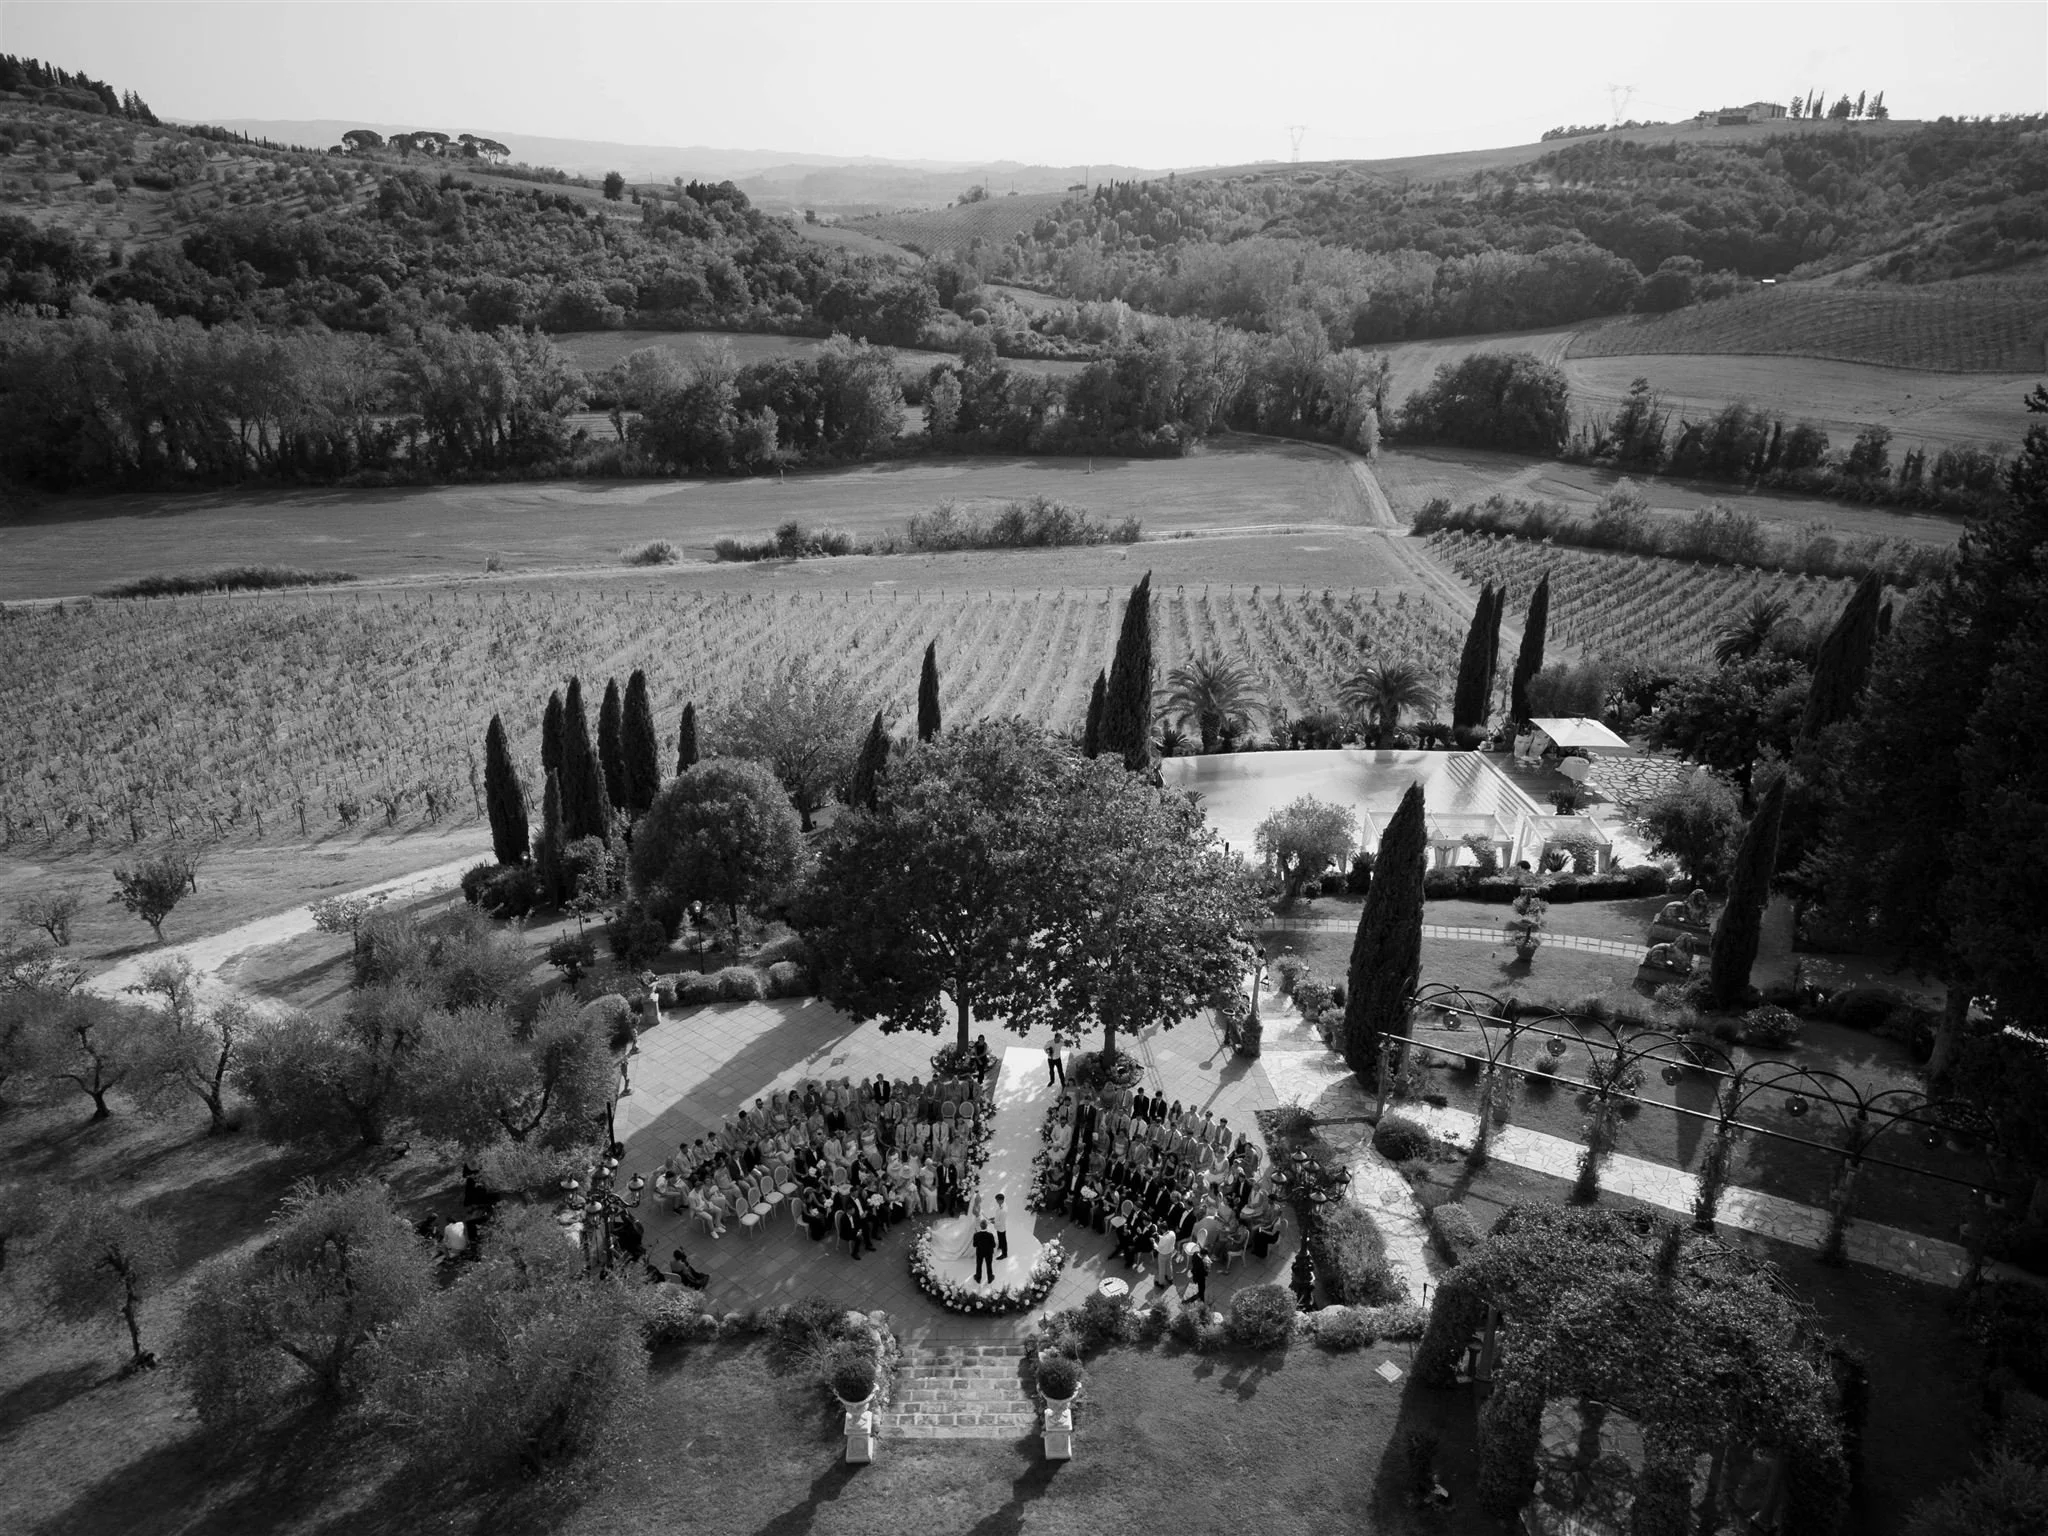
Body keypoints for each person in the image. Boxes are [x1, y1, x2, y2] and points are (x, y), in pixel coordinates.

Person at [972, 1219, 997, 1284]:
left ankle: (978, 1278)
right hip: (988, 1253)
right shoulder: (990, 1235)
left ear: (980, 1226)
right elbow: (994, 1245)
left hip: (980, 1252)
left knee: (979, 1265)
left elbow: (974, 1245)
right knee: (989, 1265)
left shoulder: (976, 1235)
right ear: (986, 1226)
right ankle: (990, 1278)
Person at [993, 1192, 1009, 1259]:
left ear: (1001, 1200)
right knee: (1000, 1237)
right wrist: (994, 1218)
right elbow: (998, 1216)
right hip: (999, 1227)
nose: (996, 1202)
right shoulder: (1001, 1205)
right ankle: (1000, 1246)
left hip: (1001, 1227)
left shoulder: (1003, 1210)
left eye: (997, 1200)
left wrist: (993, 1222)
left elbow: (1001, 1222)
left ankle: (1004, 1254)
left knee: (1003, 1240)